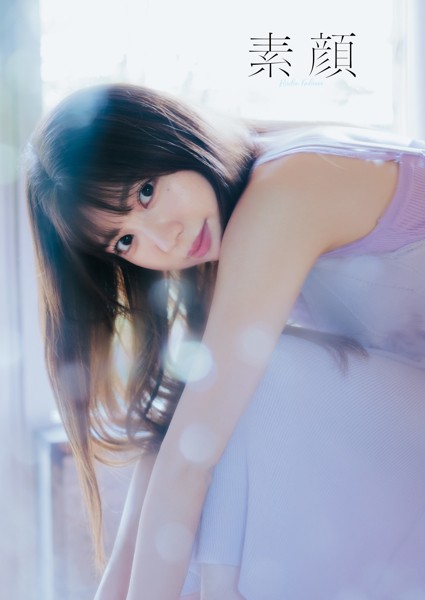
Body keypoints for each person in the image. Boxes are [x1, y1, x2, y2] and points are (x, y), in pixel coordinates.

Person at [25, 83, 425, 599]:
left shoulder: (286, 187)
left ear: (169, 136)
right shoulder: (229, 201)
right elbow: (175, 434)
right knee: (214, 399)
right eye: (125, 240)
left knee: (261, 382)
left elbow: (189, 461)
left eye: (145, 192)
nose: (163, 238)